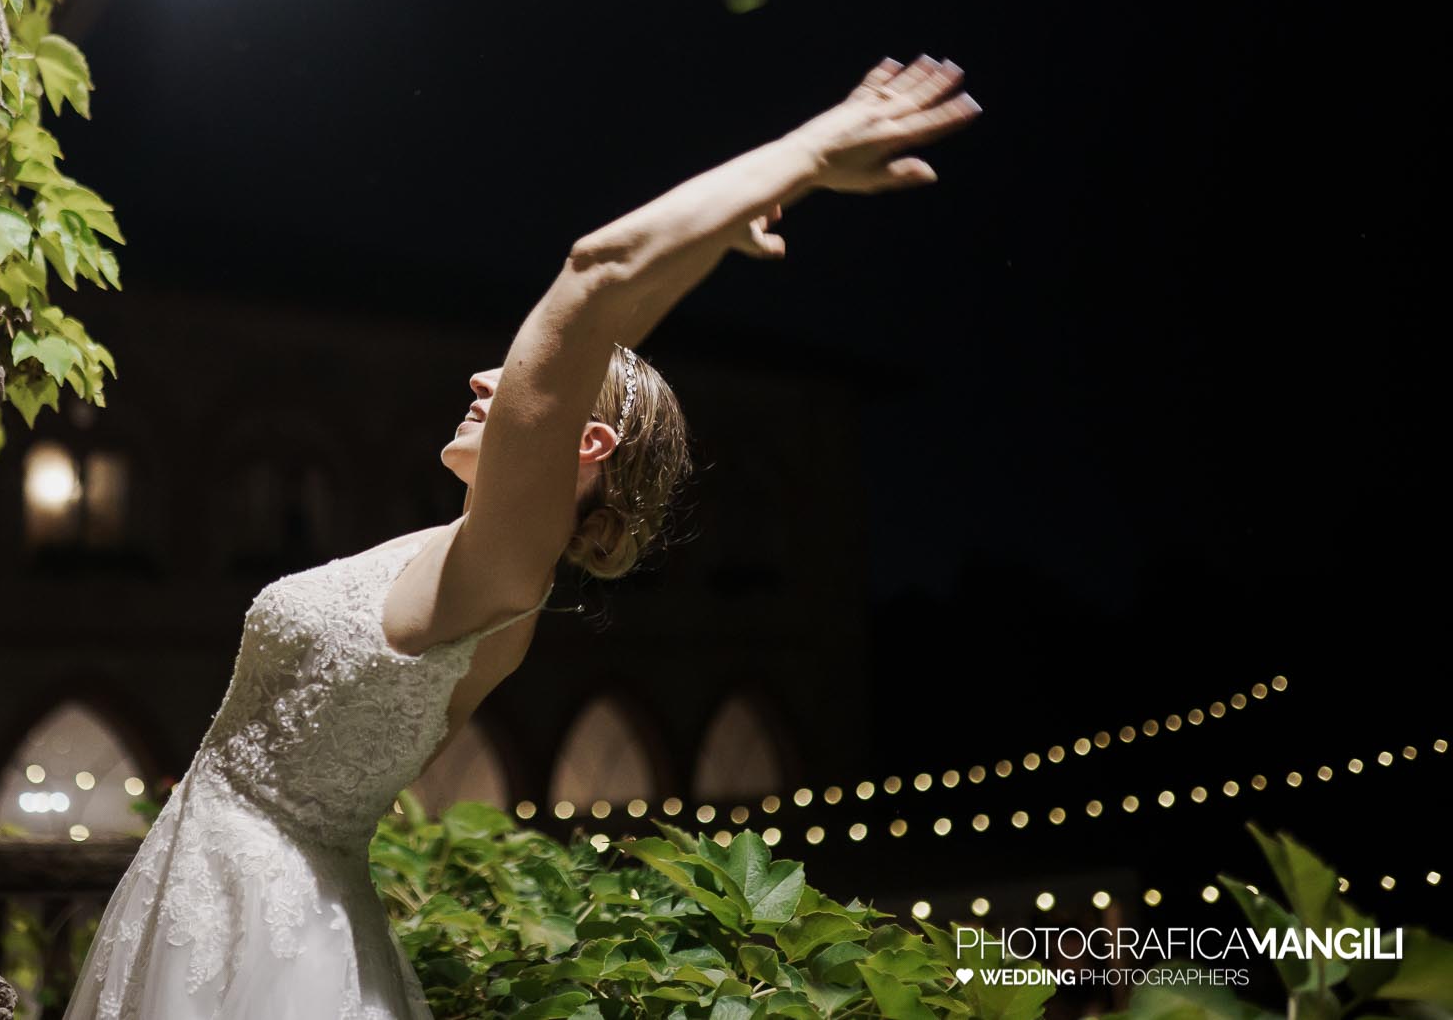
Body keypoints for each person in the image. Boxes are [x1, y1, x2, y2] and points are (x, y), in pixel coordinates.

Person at [61, 55, 980, 1019]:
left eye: (522, 378)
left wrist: (811, 150)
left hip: (268, 929)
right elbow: (618, 307)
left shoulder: (499, 568)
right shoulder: (458, 548)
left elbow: (595, 275)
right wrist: (713, 232)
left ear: (585, 445)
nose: (485, 379)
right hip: (216, 882)